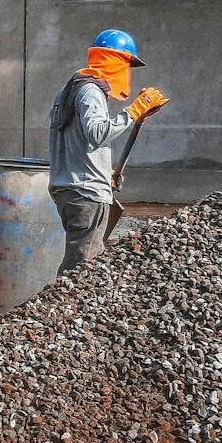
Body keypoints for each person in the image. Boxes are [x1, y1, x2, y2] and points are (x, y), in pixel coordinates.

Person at [48, 29, 168, 275]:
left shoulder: (70, 89)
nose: (126, 73)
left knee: (86, 260)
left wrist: (103, 171)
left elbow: (75, 139)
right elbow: (97, 133)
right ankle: (61, 310)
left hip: (70, 188)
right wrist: (135, 110)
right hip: (86, 194)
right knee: (81, 269)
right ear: (115, 61)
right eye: (126, 65)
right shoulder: (90, 91)